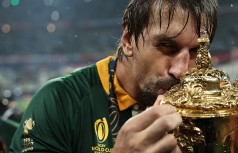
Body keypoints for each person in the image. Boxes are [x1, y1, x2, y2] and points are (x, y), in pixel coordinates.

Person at [9, 0, 218, 152]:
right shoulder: (59, 102)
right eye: (167, 46)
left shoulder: (213, 111)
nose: (181, 71)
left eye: (196, 52)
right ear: (128, 40)